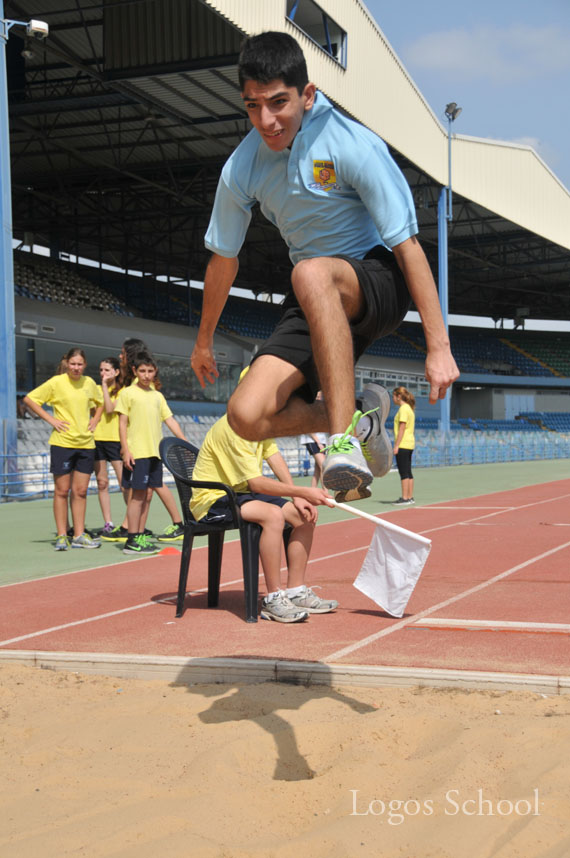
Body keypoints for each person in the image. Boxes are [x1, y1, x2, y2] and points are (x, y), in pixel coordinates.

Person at [191, 31, 459, 500]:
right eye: (253, 106)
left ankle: (341, 444)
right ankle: (362, 412)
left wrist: (439, 347)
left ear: (307, 95)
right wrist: (204, 339)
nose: (267, 120)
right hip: (314, 296)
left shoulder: (352, 145)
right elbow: (224, 259)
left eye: (278, 103)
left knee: (309, 271)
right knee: (246, 415)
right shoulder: (242, 167)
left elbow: (408, 246)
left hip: (376, 279)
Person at [190, 372, 337, 623]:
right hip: (212, 499)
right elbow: (256, 482)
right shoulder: (232, 429)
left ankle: (296, 590)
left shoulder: (257, 425)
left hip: (240, 494)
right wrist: (302, 491)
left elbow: (274, 457)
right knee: (272, 515)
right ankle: (272, 598)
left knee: (303, 516)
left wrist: (297, 499)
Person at [101, 339, 185, 543]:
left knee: (146, 495)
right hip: (137, 452)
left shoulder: (157, 396)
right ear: (135, 370)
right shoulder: (129, 392)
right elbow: (122, 423)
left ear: (154, 371)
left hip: (155, 453)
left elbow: (170, 419)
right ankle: (133, 536)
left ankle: (138, 535)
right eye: (142, 371)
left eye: (150, 371)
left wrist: (184, 442)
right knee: (138, 496)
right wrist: (126, 450)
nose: (146, 375)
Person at [23, 347, 102, 550]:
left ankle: (78, 534)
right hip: (62, 444)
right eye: (73, 364)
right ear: (66, 363)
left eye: (80, 364)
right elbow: (30, 399)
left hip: (86, 444)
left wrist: (96, 419)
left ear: (85, 365)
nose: (76, 368)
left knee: (81, 491)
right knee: (62, 490)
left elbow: (100, 403)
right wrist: (51, 419)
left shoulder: (90, 383)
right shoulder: (56, 382)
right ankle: (61, 535)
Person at [91, 357, 126, 535]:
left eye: (107, 370)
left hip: (115, 440)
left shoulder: (123, 392)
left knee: (124, 484)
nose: (103, 374)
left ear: (116, 372)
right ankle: (108, 522)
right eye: (101, 370)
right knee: (102, 482)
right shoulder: (94, 390)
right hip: (97, 440)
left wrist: (105, 386)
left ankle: (130, 523)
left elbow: (110, 408)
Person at [392, 386, 416, 505]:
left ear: (399, 396)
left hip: (403, 444)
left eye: (394, 396)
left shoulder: (403, 409)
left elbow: (402, 428)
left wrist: (396, 445)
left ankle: (405, 498)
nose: (393, 399)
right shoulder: (409, 409)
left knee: (403, 472)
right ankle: (410, 497)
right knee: (408, 471)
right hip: (409, 443)